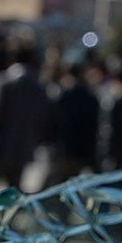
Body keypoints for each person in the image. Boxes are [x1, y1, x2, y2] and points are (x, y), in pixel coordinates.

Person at [0, 39, 51, 194]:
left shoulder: (1, 82)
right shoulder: (39, 89)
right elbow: (42, 121)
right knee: (13, 199)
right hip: (22, 150)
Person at [42, 58, 100, 186]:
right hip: (82, 150)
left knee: (54, 187)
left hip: (64, 149)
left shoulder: (63, 95)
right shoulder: (91, 96)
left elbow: (53, 122)